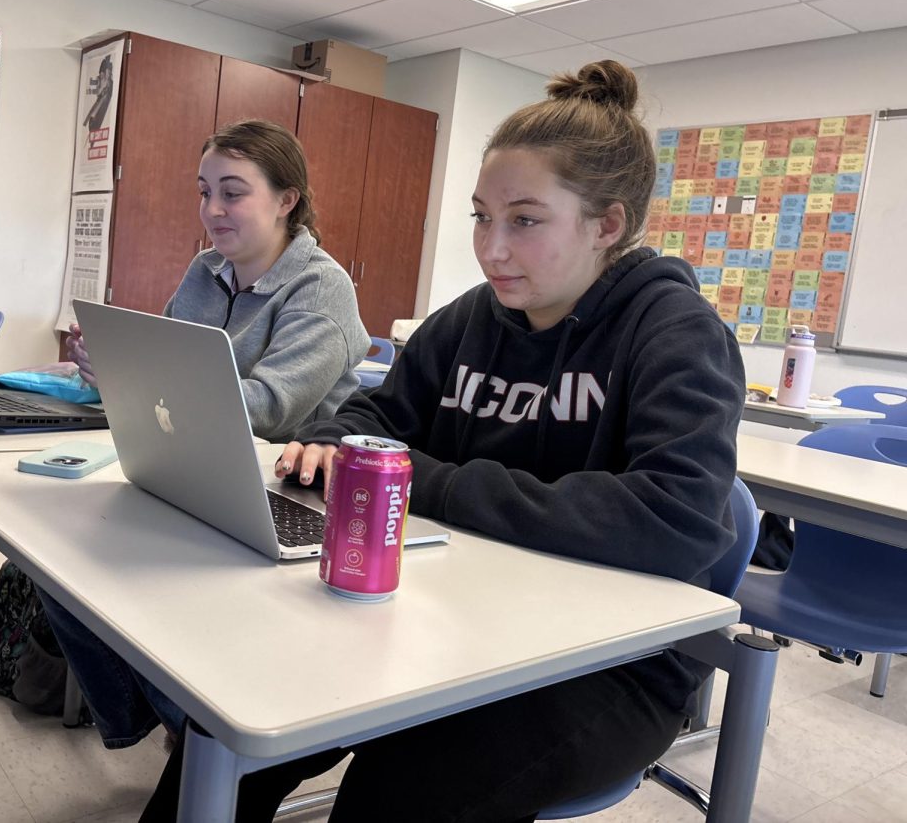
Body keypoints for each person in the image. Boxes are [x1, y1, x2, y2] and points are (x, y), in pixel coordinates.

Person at [139, 61, 747, 821]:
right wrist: (331, 441)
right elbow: (371, 415)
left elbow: (677, 520)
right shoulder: (469, 319)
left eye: (524, 220)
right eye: (480, 217)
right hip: (452, 615)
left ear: (609, 225)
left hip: (605, 663)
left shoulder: (677, 333)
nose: (492, 247)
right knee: (229, 724)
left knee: (397, 792)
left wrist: (428, 480)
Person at [43, 118, 371, 752]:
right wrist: (111, 369)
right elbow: (167, 368)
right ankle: (154, 715)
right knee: (57, 558)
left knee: (112, 568)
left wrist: (136, 375)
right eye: (204, 191)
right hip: (198, 466)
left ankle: (200, 731)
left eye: (233, 191)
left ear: (286, 200)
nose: (212, 209)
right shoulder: (206, 269)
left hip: (283, 491)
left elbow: (272, 410)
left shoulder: (322, 286)